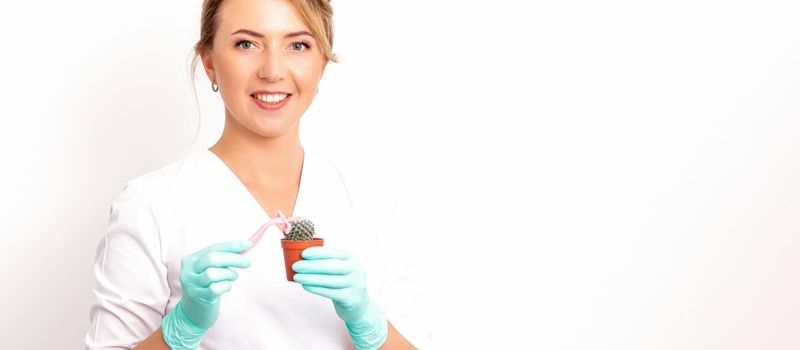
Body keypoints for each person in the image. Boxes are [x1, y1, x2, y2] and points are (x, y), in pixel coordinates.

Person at [85, 0, 432, 348]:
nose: (273, 70)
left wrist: (369, 323)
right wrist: (182, 328)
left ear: (321, 65)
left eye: (298, 45)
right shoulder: (151, 205)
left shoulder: (370, 203)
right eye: (246, 44)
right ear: (209, 63)